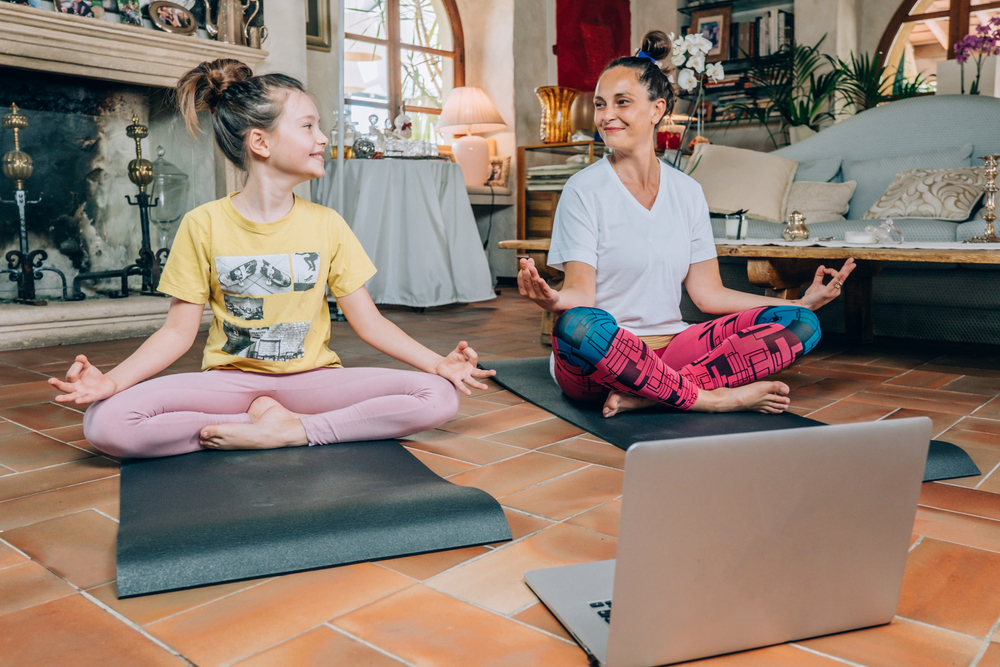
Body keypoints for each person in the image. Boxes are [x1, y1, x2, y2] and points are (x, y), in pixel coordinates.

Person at [49, 59, 494, 458]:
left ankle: (296, 430)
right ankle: (260, 423)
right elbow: (176, 334)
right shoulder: (203, 224)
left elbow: (371, 322)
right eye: (307, 127)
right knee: (105, 422)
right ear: (260, 142)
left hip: (312, 380)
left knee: (438, 396)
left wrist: (437, 364)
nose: (322, 138)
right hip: (231, 383)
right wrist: (112, 383)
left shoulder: (328, 224)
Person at [518, 30, 855, 418]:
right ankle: (713, 397)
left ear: (656, 109)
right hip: (601, 360)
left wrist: (798, 303)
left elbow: (707, 294)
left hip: (674, 349)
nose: (606, 115)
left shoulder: (688, 191)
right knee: (576, 325)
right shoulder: (583, 189)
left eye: (622, 102)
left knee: (802, 323)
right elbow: (581, 295)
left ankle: (650, 394)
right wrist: (554, 300)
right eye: (600, 104)